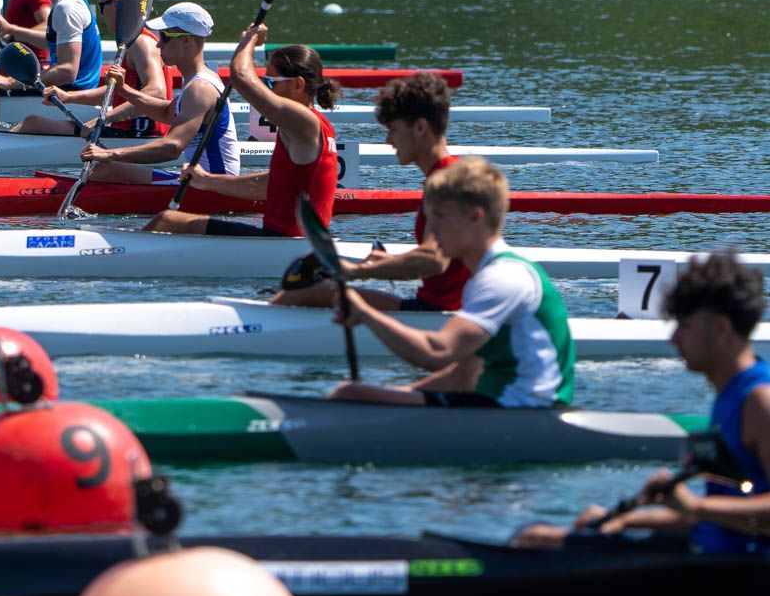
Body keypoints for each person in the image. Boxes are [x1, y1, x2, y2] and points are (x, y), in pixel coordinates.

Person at [514, 251, 769, 554]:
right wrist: (628, 520)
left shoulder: (759, 401)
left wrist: (696, 504)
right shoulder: (730, 394)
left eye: (684, 326)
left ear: (722, 329)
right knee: (536, 538)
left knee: (540, 543)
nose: (673, 339)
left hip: (738, 576)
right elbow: (720, 520)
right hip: (710, 555)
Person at [328, 157, 575, 408]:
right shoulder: (482, 277)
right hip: (504, 409)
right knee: (358, 395)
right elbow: (462, 376)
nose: (430, 231)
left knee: (348, 395)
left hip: (527, 415)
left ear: (475, 217)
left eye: (439, 217)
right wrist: (398, 394)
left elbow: (438, 352)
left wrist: (366, 313)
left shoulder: (502, 278)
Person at [273, 72, 469, 308]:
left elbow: (434, 260)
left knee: (307, 292)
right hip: (437, 304)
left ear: (420, 128)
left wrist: (359, 270)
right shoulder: (447, 174)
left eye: (394, 130)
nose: (388, 141)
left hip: (441, 312)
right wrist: (387, 262)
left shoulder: (446, 182)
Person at [143, 25, 340, 238]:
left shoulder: (304, 121)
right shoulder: (314, 125)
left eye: (271, 82)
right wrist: (207, 180)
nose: (267, 89)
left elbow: (240, 76)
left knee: (166, 220)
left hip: (283, 241)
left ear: (298, 85)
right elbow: (266, 185)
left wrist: (249, 41)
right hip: (291, 239)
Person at [74, 1, 240, 183]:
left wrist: (111, 153)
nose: (159, 45)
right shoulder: (198, 80)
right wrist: (124, 90)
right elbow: (167, 112)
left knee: (108, 170)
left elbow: (172, 147)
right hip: (197, 181)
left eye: (164, 37)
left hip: (214, 188)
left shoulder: (201, 88)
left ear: (185, 40)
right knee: (108, 169)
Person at [13, 0, 172, 137]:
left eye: (101, 5)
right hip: (128, 130)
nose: (101, 14)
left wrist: (104, 118)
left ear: (116, 4)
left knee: (33, 123)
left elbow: (156, 91)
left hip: (140, 134)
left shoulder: (141, 42)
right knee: (33, 122)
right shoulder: (132, 42)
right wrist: (68, 97)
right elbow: (115, 93)